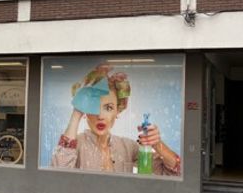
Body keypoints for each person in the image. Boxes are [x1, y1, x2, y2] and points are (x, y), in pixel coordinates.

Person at [51, 64, 180, 176]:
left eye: (108, 107)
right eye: (94, 106)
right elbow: (57, 175)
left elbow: (174, 172)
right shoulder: (76, 145)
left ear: (117, 111)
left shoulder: (129, 147)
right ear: (85, 110)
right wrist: (77, 111)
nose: (100, 116)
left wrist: (157, 144)